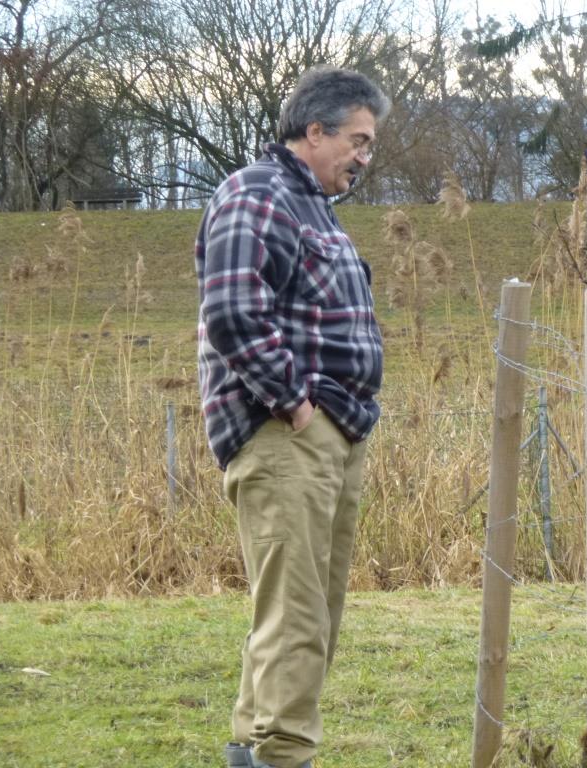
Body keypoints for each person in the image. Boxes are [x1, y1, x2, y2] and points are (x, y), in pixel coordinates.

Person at [195, 66, 390, 768]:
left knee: (309, 610)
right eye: (358, 141)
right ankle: (283, 756)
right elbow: (232, 312)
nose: (364, 157)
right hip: (285, 435)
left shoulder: (313, 207)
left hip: (333, 432)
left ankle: (253, 748)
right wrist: (294, 404)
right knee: (298, 613)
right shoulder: (257, 193)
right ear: (314, 130)